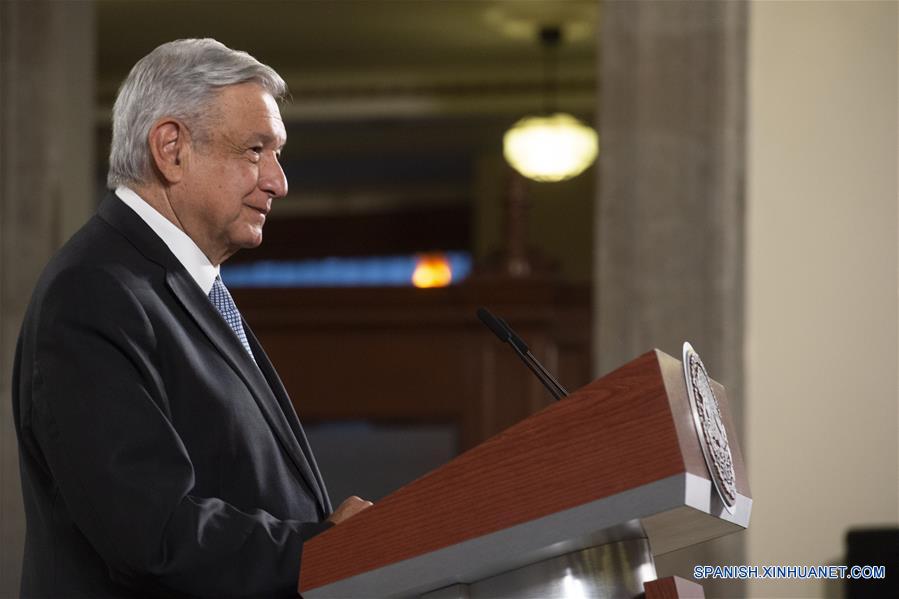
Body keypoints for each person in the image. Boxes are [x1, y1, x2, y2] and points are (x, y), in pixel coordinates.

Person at [12, 38, 371, 598]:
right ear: (171, 148)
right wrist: (323, 547)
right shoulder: (94, 292)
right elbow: (149, 530)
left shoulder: (176, 285)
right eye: (255, 151)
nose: (278, 181)